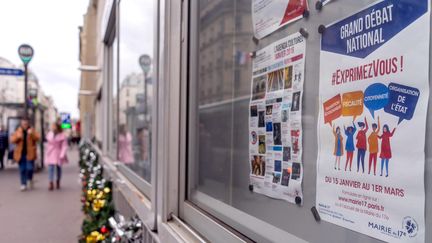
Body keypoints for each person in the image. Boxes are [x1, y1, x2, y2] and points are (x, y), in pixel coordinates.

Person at [11, 117, 40, 191]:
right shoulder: (18, 130)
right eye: (24, 123)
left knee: (29, 168)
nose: (25, 125)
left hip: (30, 153)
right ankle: (23, 184)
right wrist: (18, 137)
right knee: (22, 170)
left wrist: (32, 133)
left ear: (28, 123)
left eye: (26, 123)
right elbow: (12, 140)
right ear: (21, 123)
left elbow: (38, 138)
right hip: (20, 154)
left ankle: (30, 178)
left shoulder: (31, 130)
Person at [45, 122, 68, 190]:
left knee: (59, 168)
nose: (53, 127)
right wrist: (47, 152)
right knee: (50, 168)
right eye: (52, 126)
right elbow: (48, 144)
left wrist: (62, 154)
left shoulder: (62, 135)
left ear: (57, 127)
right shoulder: (50, 134)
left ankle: (58, 181)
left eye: (54, 126)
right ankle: (51, 182)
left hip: (58, 153)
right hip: (51, 153)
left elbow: (64, 146)